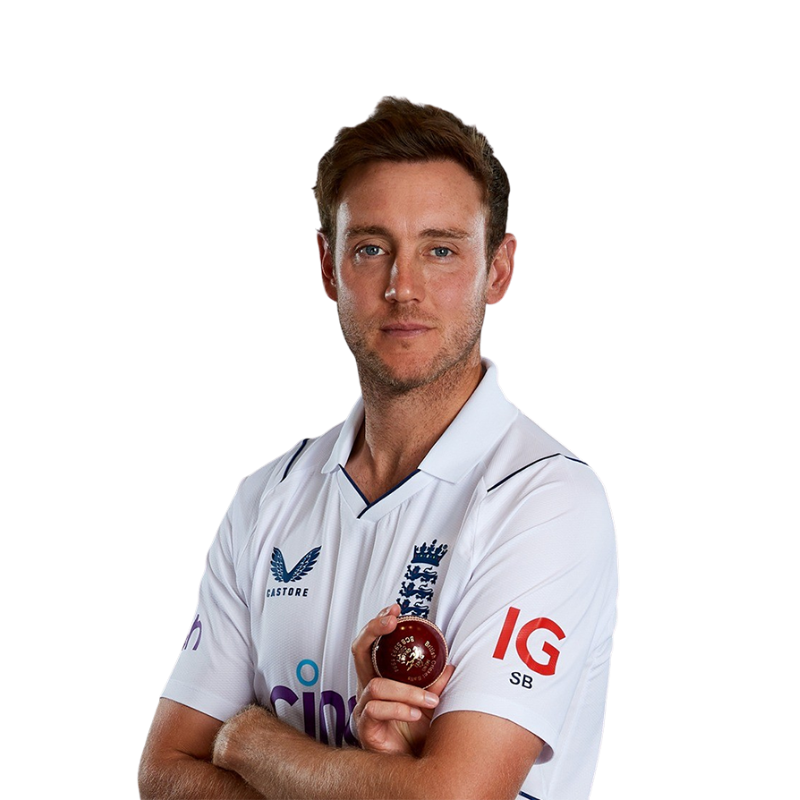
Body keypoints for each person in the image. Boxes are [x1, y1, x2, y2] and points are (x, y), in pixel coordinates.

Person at [137, 95, 619, 800]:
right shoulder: (265, 496)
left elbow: (454, 797)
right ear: (328, 267)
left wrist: (250, 742)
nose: (403, 287)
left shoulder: (547, 500)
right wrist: (384, 782)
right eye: (371, 248)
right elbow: (164, 772)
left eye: (440, 249)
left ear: (498, 270)